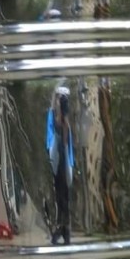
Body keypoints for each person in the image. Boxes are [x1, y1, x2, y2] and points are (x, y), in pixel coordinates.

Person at [47, 87, 74, 245]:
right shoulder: (52, 116)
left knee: (64, 199)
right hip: (56, 162)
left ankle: (65, 230)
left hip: (64, 163)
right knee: (59, 198)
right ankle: (61, 229)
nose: (61, 102)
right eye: (59, 98)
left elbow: (66, 142)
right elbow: (51, 137)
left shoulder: (66, 121)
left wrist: (64, 122)